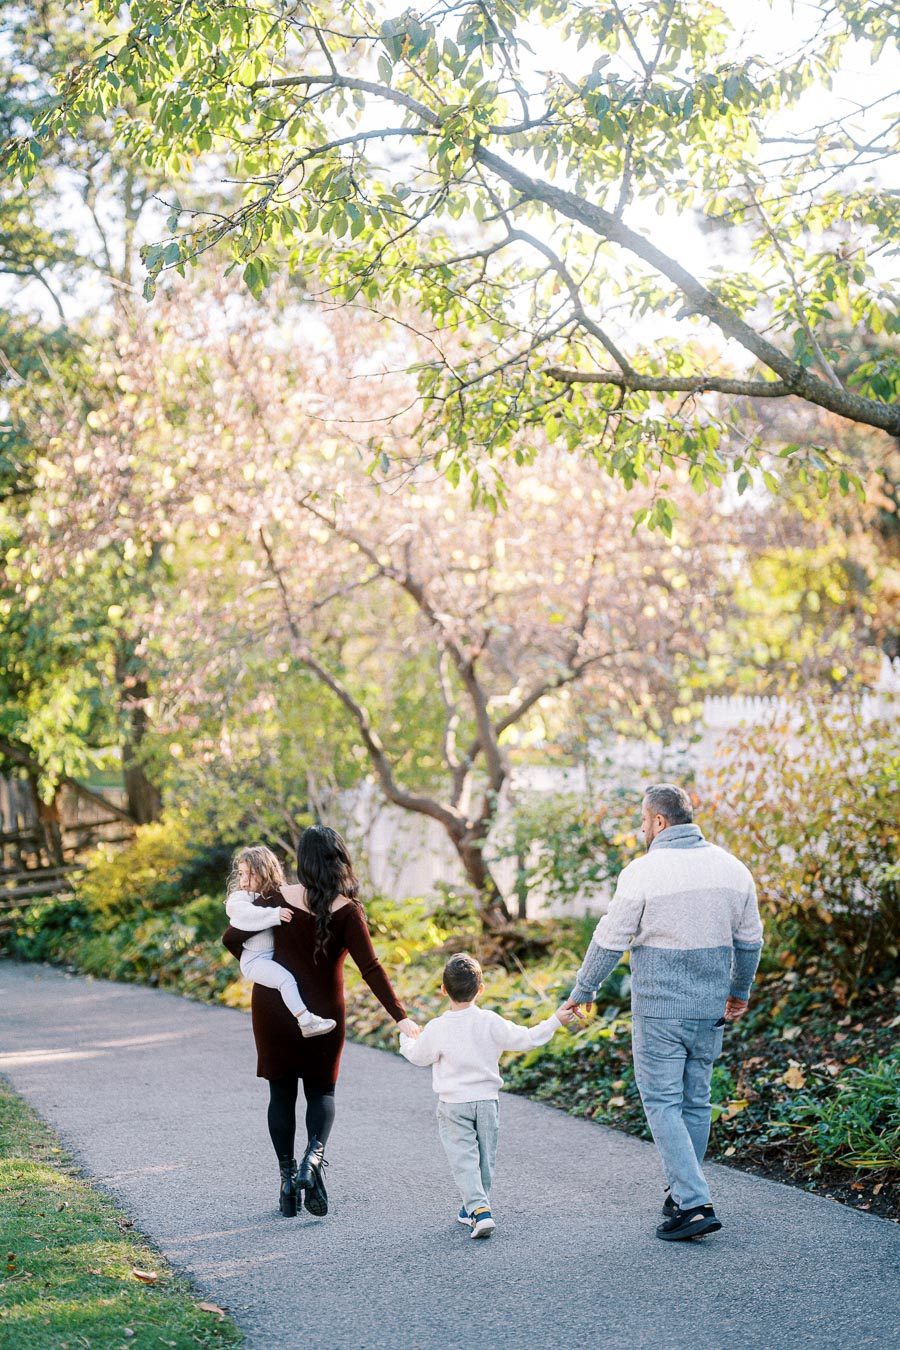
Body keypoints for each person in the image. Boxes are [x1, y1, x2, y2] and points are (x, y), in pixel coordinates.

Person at [562, 783, 763, 1242]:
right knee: (694, 1101)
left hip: (659, 1012)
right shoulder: (733, 869)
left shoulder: (644, 871)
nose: (641, 829)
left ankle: (693, 1203)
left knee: (662, 1102)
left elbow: (610, 938)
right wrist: (739, 990)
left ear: (658, 821)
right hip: (710, 1008)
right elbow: (751, 941)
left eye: (642, 821)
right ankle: (682, 1193)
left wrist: (583, 990)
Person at [223, 826, 419, 1219]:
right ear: (339, 860)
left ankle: (285, 1183)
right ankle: (312, 1161)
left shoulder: (277, 898)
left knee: (280, 1096)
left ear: (301, 861)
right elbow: (371, 968)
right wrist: (401, 1016)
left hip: (274, 1007)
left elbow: (231, 938)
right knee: (321, 1094)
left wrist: (262, 962)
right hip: (325, 1014)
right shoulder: (348, 910)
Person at [398, 952, 577, 1239]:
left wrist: (406, 1040)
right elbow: (527, 1038)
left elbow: (418, 1056)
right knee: (484, 1157)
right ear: (480, 989)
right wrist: (556, 1019)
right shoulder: (490, 1021)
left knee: (464, 1159)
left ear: (444, 990)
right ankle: (471, 1208)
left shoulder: (438, 1027)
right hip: (487, 1102)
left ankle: (480, 1212)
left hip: (454, 1104)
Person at [224, 845, 336, 1038]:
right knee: (285, 980)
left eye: (249, 874)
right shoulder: (241, 898)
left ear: (265, 872)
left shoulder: (275, 896)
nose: (243, 880)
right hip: (254, 961)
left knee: (290, 978)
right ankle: (306, 1021)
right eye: (241, 874)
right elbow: (242, 914)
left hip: (270, 957)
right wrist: (274, 915)